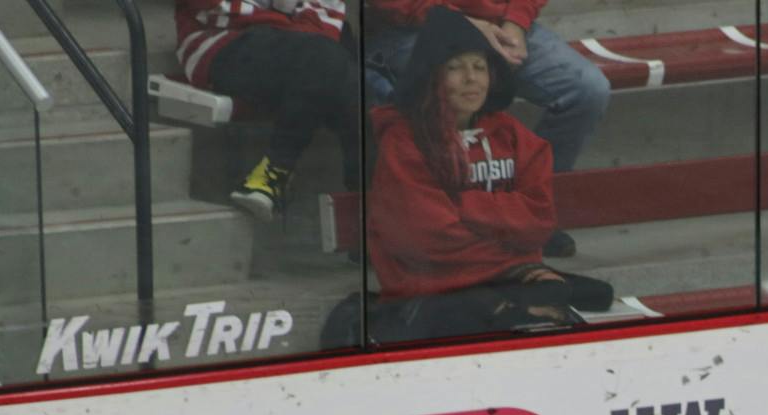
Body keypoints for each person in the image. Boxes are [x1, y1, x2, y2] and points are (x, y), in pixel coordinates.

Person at [366, 8, 576, 344]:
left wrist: (462, 205)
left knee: (580, 300)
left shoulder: (512, 135)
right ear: (431, 75)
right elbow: (427, 239)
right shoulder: (404, 141)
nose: (471, 79)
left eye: (479, 67)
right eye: (455, 68)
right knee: (508, 315)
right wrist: (509, 246)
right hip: (432, 286)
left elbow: (540, 218)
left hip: (500, 276)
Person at [364, 0, 609, 258]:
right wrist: (464, 27)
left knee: (587, 89)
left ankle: (532, 210)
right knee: (435, 90)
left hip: (502, 23)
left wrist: (516, 23)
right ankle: (432, 222)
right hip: (415, 27)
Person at [173, 0, 362, 219]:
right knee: (331, 64)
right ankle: (277, 171)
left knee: (351, 83)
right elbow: (209, 6)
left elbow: (325, 15)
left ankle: (363, 203)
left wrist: (291, 30)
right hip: (221, 39)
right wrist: (283, 23)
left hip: (301, 45)